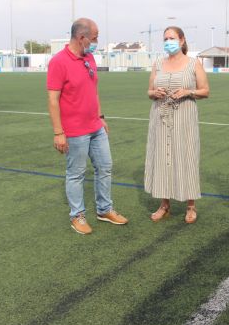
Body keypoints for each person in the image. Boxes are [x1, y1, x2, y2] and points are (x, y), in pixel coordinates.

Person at [47, 17, 129, 235]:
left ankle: (104, 209)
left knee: (105, 167)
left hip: (95, 127)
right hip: (74, 131)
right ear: (81, 37)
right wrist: (58, 132)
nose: (96, 41)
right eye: (94, 38)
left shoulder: (89, 58)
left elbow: (93, 90)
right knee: (76, 173)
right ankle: (77, 215)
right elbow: (53, 99)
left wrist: (101, 116)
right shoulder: (59, 62)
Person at [144, 26, 209, 224]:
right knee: (163, 158)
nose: (168, 42)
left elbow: (205, 90)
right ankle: (164, 204)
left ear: (182, 41)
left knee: (186, 157)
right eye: (165, 39)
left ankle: (190, 205)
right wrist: (154, 93)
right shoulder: (158, 64)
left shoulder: (193, 63)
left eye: (172, 38)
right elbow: (149, 91)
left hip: (185, 119)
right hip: (161, 118)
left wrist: (188, 92)